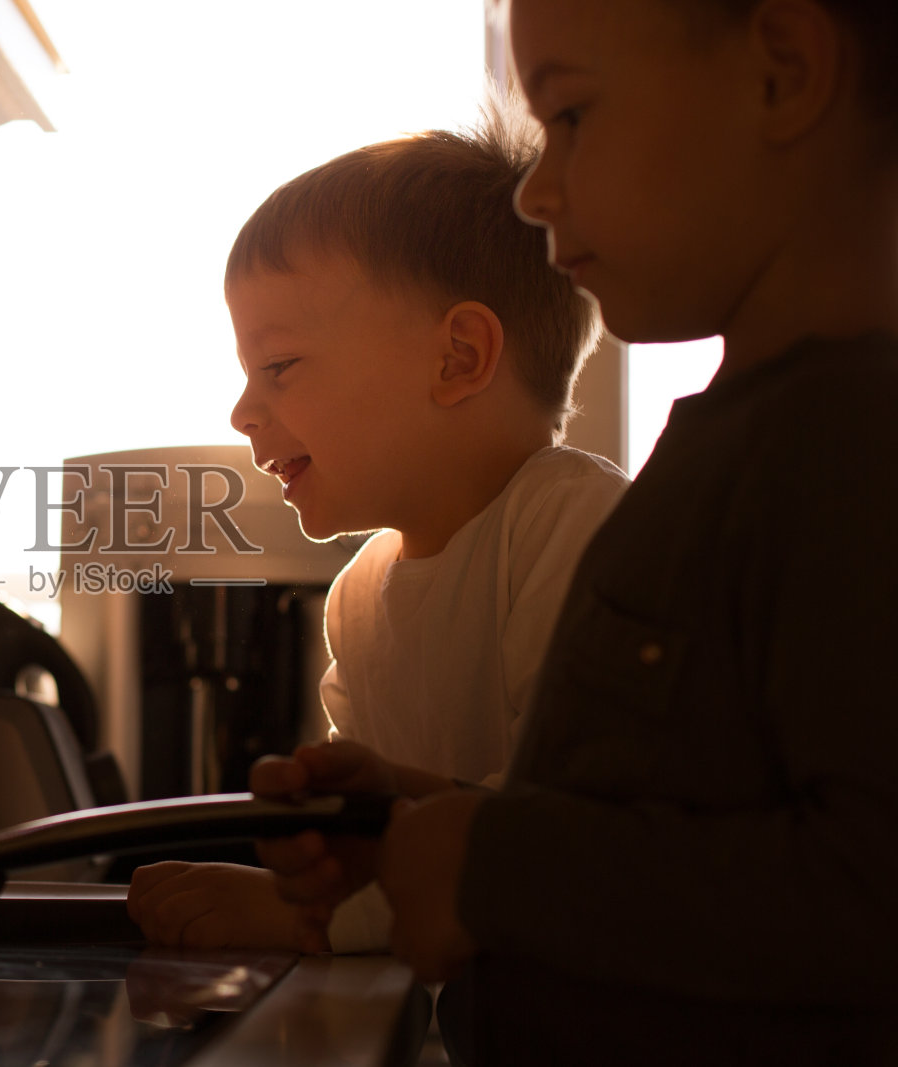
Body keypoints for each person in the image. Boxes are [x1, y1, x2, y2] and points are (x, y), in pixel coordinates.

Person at [252, 0, 898, 1060]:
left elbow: (873, 883)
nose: (536, 188)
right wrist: (415, 816)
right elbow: (680, 807)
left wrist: (489, 864)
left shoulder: (849, 447)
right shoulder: (744, 443)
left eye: (572, 115)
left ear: (781, 73)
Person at [126, 107, 628, 954]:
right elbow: (372, 852)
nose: (244, 411)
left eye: (277, 366)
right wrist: (312, 864)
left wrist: (308, 919)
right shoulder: (358, 598)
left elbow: (573, 839)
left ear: (458, 357)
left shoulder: (566, 525)